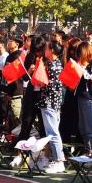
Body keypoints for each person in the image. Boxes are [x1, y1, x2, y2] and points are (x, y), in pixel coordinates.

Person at [36, 36, 66, 174]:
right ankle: (56, 159)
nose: (45, 50)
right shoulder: (54, 64)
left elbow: (51, 86)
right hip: (51, 102)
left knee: (53, 132)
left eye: (47, 48)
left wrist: (40, 81)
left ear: (52, 50)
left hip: (50, 102)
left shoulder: (53, 66)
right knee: (52, 132)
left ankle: (59, 160)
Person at [74, 40, 92, 157]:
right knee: (83, 128)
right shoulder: (87, 64)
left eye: (80, 54)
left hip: (91, 99)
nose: (79, 57)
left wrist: (82, 69)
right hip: (83, 97)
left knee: (91, 129)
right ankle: (89, 152)